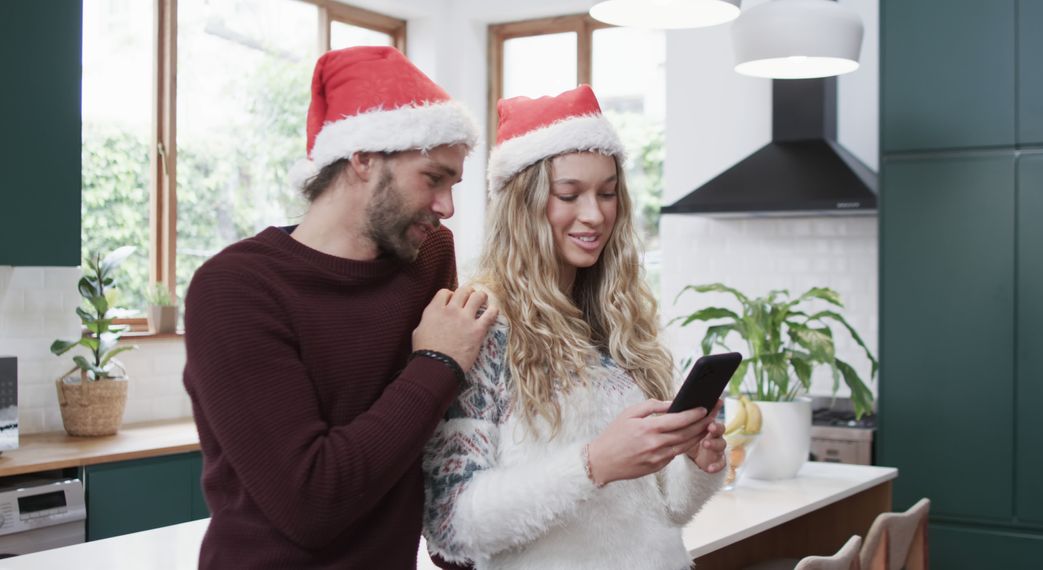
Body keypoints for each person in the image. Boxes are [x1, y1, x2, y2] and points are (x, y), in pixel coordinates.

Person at [183, 46, 498, 568]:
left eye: (453, 183)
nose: (447, 207)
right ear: (364, 158)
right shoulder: (234, 290)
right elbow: (311, 502)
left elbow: (433, 433)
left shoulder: (426, 254)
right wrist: (438, 361)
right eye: (433, 178)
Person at [422, 85, 727, 570]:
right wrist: (593, 464)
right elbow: (451, 527)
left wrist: (697, 462)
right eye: (570, 194)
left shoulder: (620, 321)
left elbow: (664, 509)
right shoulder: (483, 325)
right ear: (523, 204)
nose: (596, 214)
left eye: (608, 193)